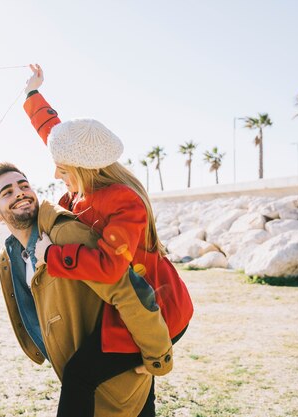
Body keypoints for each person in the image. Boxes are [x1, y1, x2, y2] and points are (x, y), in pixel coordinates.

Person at [23, 65, 194, 417]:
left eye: (63, 169)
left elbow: (109, 265)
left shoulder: (123, 202)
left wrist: (51, 256)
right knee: (137, 387)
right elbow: (56, 133)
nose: (55, 174)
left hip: (157, 310)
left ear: (85, 169)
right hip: (129, 301)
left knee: (80, 375)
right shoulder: (84, 173)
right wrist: (32, 95)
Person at [0, 162, 174, 417]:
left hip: (117, 382)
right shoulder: (10, 257)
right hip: (88, 383)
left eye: (23, 185)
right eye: (6, 192)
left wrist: (157, 357)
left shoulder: (64, 234)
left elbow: (128, 288)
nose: (19, 193)